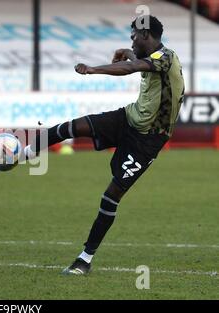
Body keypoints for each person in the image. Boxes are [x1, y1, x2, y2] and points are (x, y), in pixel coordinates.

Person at [21, 15, 184, 275]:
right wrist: (129, 52)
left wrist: (93, 69)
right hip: (128, 118)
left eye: (133, 36)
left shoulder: (166, 58)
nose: (131, 39)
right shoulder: (152, 57)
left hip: (148, 140)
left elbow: (133, 68)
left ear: (145, 36)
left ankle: (84, 259)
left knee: (111, 197)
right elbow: (138, 62)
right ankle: (23, 154)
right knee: (71, 127)